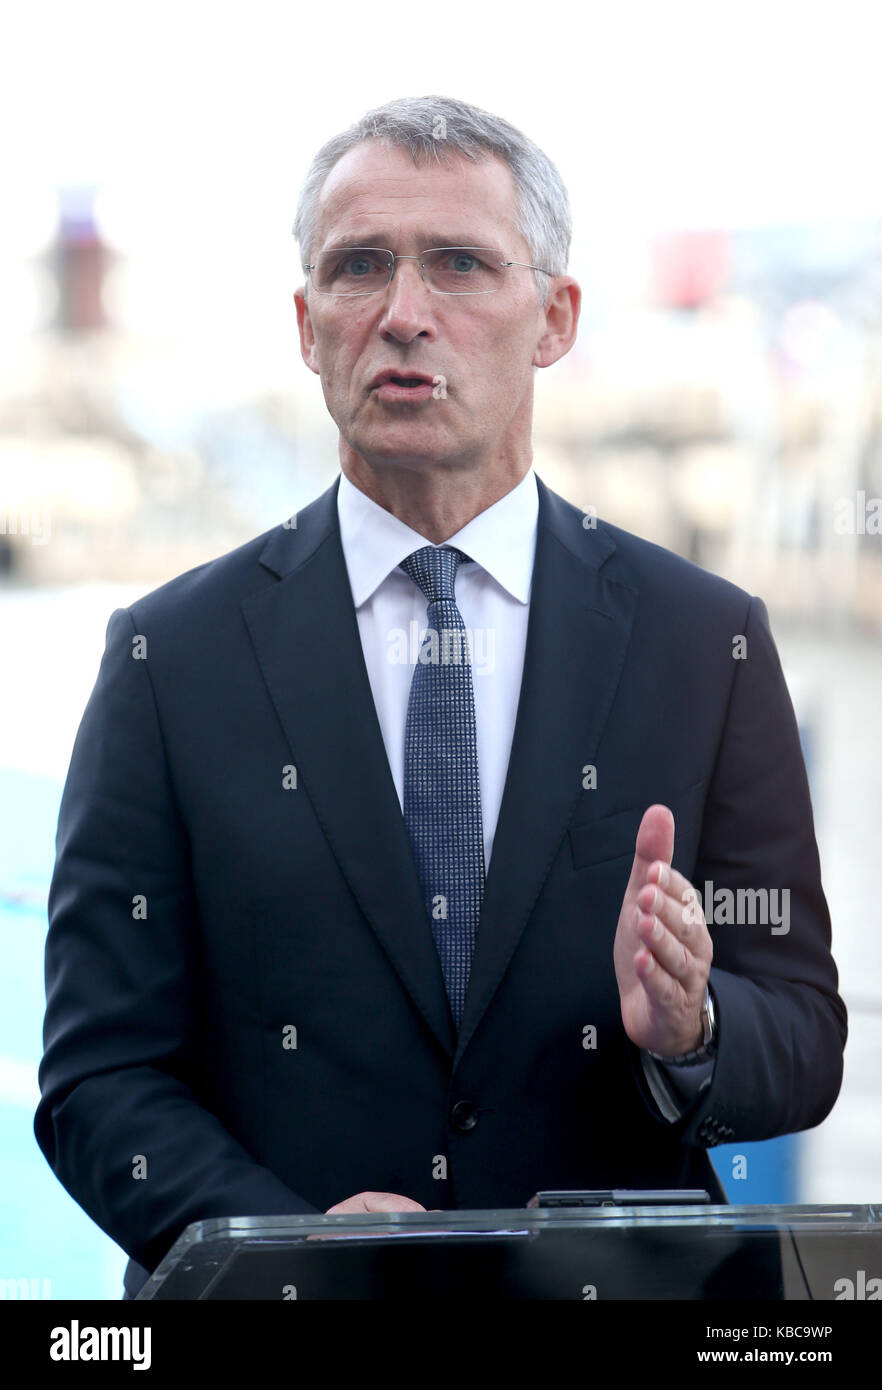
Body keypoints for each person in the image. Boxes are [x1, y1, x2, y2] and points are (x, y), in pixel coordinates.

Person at [35, 95, 847, 1301]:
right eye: (360, 269)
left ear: (555, 318)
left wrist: (694, 1029)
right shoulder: (169, 658)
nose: (404, 314)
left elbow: (803, 1037)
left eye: (460, 265)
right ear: (308, 327)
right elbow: (99, 1076)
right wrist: (282, 1247)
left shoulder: (706, 641)